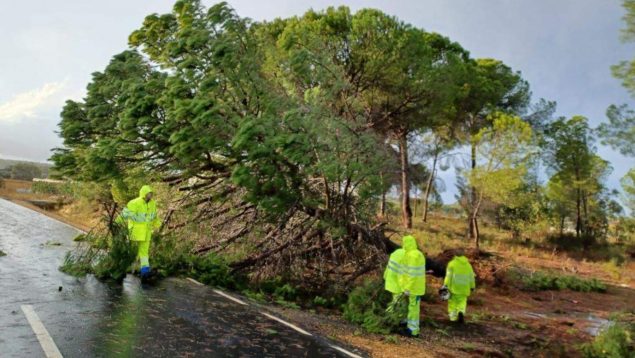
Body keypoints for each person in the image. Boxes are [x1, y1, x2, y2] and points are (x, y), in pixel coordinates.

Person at [383, 235, 426, 337]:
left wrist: (407, 287)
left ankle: (412, 330)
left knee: (401, 304)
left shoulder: (410, 256)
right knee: (410, 306)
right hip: (416, 288)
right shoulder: (418, 254)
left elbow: (410, 274)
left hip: (410, 288)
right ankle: (405, 324)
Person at [117, 185, 160, 278]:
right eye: (149, 193)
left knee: (144, 252)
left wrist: (158, 225)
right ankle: (129, 268)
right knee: (133, 252)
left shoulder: (152, 203)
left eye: (151, 193)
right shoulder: (134, 203)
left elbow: (154, 216)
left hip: (147, 233)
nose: (150, 195)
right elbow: (125, 214)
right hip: (135, 232)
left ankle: (144, 270)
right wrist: (115, 223)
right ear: (144, 193)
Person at [441, 251, 476, 324]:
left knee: (452, 303)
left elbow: (448, 277)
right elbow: (471, 277)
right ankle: (461, 312)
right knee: (462, 302)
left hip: (454, 288)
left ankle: (453, 318)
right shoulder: (468, 265)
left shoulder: (452, 264)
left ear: (455, 255)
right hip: (464, 289)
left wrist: (445, 285)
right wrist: (472, 286)